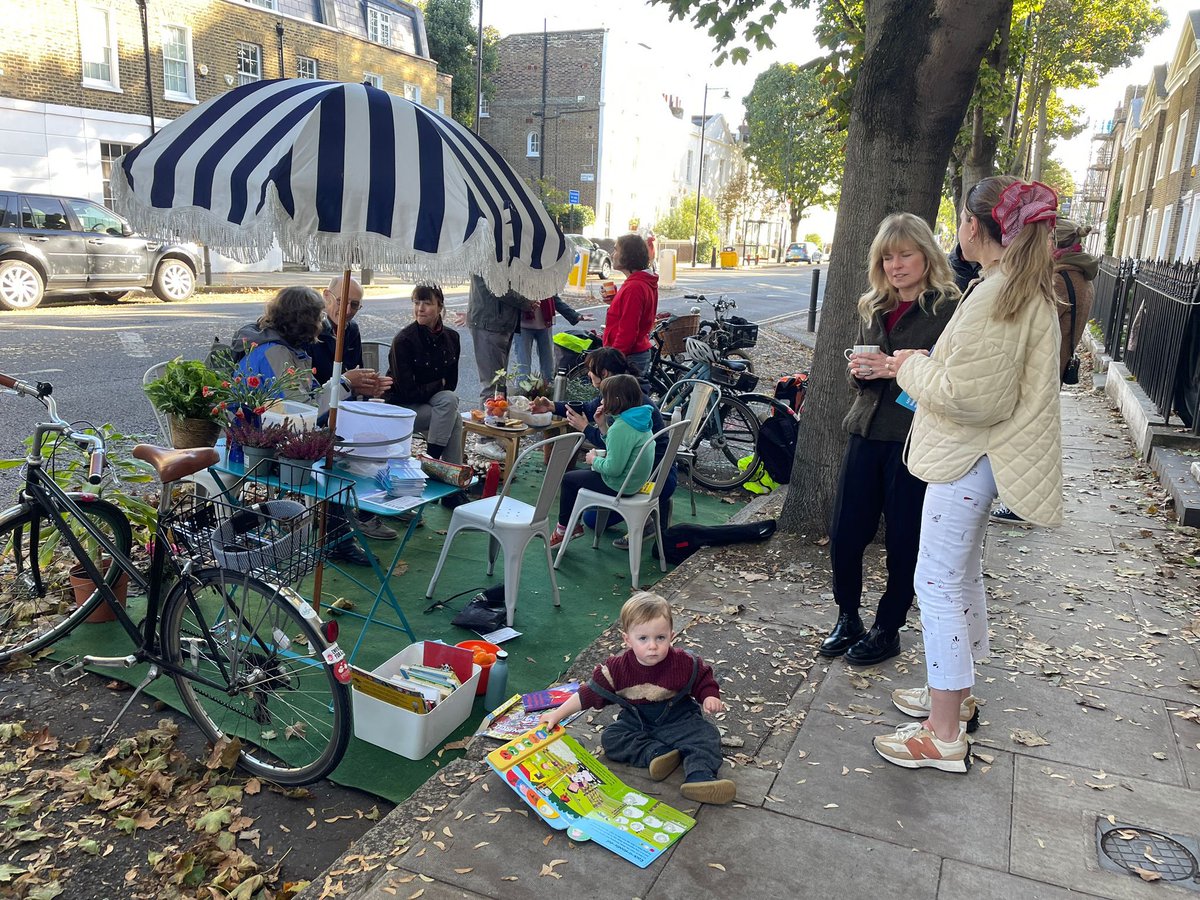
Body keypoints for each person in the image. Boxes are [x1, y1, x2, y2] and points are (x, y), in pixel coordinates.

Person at [874, 177, 1064, 773]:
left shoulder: (997, 294)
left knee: (936, 583)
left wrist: (909, 366)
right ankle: (954, 695)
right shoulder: (1014, 288)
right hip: (982, 455)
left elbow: (972, 398)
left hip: (968, 453)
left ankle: (944, 730)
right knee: (960, 575)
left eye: (962, 221)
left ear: (978, 228)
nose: (959, 232)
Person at [819, 213, 959, 667]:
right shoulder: (873, 305)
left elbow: (951, 380)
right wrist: (860, 372)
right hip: (865, 430)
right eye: (887, 257)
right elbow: (861, 378)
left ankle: (888, 627)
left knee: (905, 538)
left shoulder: (949, 308)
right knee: (845, 532)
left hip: (914, 440)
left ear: (926, 255)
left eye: (905, 255)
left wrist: (902, 370)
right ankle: (848, 617)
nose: (896, 265)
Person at [232, 286, 392, 566]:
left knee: (340, 442)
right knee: (340, 453)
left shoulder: (283, 346)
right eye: (317, 316)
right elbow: (301, 411)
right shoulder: (275, 352)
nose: (321, 322)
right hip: (257, 445)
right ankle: (339, 536)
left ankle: (341, 530)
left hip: (267, 434)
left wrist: (344, 385)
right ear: (303, 319)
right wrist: (344, 382)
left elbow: (303, 401)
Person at [539, 591, 735, 805]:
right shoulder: (617, 669)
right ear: (627, 639)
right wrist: (557, 714)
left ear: (671, 634)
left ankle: (700, 777)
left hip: (679, 719)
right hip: (638, 721)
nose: (653, 646)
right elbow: (588, 694)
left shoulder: (682, 662)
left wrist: (709, 696)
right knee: (612, 738)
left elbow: (702, 678)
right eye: (643, 638)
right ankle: (658, 754)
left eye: (660, 638)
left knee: (706, 736)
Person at [990, 218, 1097, 524]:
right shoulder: (1081, 276)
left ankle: (1020, 506)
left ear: (1053, 244)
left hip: (1041, 368)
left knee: (1026, 437)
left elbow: (1024, 316)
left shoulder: (1060, 280)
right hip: (1055, 365)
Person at [531, 347, 677, 546]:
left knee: (581, 498)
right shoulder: (632, 399)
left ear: (605, 373)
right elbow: (591, 411)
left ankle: (648, 515)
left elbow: (616, 455)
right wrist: (552, 406)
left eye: (591, 369)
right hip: (651, 474)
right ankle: (652, 511)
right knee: (592, 518)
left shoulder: (624, 414)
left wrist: (587, 433)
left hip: (644, 480)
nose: (589, 374)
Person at [385, 285, 470, 509]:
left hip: (433, 403)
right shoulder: (404, 339)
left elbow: (451, 383)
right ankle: (446, 481)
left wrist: (439, 387)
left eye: (427, 303)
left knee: (449, 403)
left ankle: (434, 466)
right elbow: (405, 392)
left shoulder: (452, 337)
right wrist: (438, 384)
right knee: (453, 416)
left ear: (440, 306)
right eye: (416, 303)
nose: (420, 309)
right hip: (402, 407)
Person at [549, 374, 655, 548]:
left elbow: (613, 469)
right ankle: (570, 525)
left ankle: (565, 528)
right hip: (635, 482)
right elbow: (621, 448)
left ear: (616, 399)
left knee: (569, 479)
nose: (601, 401)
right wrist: (602, 426)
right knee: (580, 476)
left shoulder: (621, 428)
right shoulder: (639, 419)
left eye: (604, 397)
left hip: (620, 485)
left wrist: (593, 460)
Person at [467, 275, 533, 460]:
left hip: (501, 321)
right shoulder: (489, 250)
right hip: (489, 321)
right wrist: (525, 301)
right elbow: (496, 283)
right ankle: (484, 440)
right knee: (491, 382)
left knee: (499, 384)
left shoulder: (503, 250)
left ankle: (495, 432)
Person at [602, 234, 658, 377]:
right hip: (635, 353)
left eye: (616, 250)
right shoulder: (642, 281)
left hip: (628, 356)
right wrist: (616, 300)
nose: (613, 255)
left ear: (628, 255)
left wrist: (612, 359)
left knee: (618, 399)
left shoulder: (634, 287)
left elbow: (628, 330)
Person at [513, 295, 589, 383]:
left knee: (548, 368)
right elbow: (513, 298)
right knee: (523, 368)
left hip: (545, 324)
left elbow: (555, 299)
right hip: (522, 326)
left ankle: (549, 391)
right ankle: (521, 393)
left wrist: (576, 316)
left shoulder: (547, 282)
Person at [306, 275, 365, 385]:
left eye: (354, 305)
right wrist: (346, 381)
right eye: (341, 301)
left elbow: (358, 371)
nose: (347, 311)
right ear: (327, 296)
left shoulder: (352, 329)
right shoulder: (309, 330)